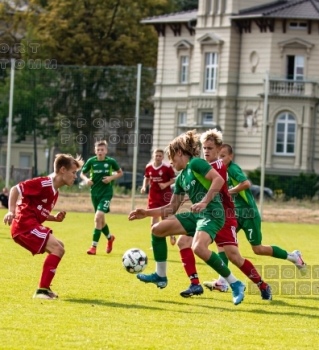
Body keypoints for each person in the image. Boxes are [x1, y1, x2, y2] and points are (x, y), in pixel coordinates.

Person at [128, 130, 246, 306]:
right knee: (157, 230)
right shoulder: (182, 177)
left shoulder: (197, 163)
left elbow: (218, 181)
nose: (171, 162)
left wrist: (205, 202)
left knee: (198, 247)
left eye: (171, 157)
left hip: (213, 213)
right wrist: (146, 212)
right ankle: (160, 276)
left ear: (180, 153)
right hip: (197, 215)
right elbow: (171, 208)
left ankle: (236, 283)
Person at [177, 129, 272, 300]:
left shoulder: (217, 166)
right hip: (207, 215)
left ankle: (262, 285)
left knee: (234, 256)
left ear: (219, 149)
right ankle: (195, 284)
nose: (206, 151)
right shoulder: (204, 166)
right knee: (184, 241)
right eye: (204, 148)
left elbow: (210, 183)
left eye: (210, 148)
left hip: (224, 216)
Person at [204, 143, 307, 291]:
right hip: (234, 214)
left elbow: (246, 183)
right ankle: (222, 282)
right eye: (219, 156)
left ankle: (293, 257)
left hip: (248, 214)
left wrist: (229, 191)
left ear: (231, 157)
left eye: (223, 156)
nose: (220, 159)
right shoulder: (218, 170)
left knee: (257, 249)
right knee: (223, 244)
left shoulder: (233, 169)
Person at [3, 154, 84, 300]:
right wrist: (11, 210)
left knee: (60, 246)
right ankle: (42, 290)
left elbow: (39, 210)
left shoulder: (55, 191)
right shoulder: (44, 183)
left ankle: (45, 288)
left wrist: (54, 218)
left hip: (28, 225)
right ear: (62, 170)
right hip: (23, 225)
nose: (75, 177)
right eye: (73, 172)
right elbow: (16, 189)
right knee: (58, 249)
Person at [80, 140, 123, 255]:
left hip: (106, 193)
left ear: (106, 151)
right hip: (95, 193)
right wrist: (86, 180)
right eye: (98, 150)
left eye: (102, 150)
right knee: (101, 221)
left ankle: (93, 247)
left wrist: (110, 178)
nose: (100, 151)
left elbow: (120, 173)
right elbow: (82, 174)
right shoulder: (91, 161)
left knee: (98, 217)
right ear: (95, 151)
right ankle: (110, 238)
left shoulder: (110, 162)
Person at [140, 149, 176, 246]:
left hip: (165, 196)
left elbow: (174, 179)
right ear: (153, 156)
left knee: (165, 218)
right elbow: (146, 178)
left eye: (160, 156)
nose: (158, 157)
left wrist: (165, 184)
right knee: (154, 217)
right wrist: (144, 187)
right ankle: (155, 243)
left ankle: (171, 234)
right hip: (153, 195)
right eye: (156, 155)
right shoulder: (149, 167)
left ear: (163, 157)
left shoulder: (167, 167)